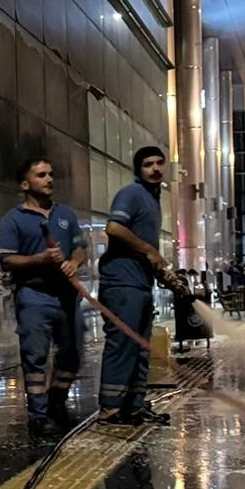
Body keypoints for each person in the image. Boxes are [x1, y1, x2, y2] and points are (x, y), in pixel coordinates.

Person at [0, 157, 86, 440]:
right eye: (41, 175)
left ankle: (56, 401)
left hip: (67, 297)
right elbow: (6, 260)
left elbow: (81, 247)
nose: (49, 179)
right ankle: (37, 416)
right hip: (34, 297)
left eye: (51, 174)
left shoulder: (65, 215)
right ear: (25, 184)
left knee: (72, 353)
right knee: (35, 358)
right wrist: (40, 259)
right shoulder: (14, 220)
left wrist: (74, 261)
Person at [98, 146, 173, 426]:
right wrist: (149, 251)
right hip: (122, 280)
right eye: (147, 164)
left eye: (159, 163)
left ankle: (134, 405)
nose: (155, 169)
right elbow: (115, 228)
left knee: (141, 345)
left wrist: (159, 268)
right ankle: (111, 410)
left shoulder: (153, 200)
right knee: (123, 344)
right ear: (137, 170)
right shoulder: (131, 194)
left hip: (140, 281)